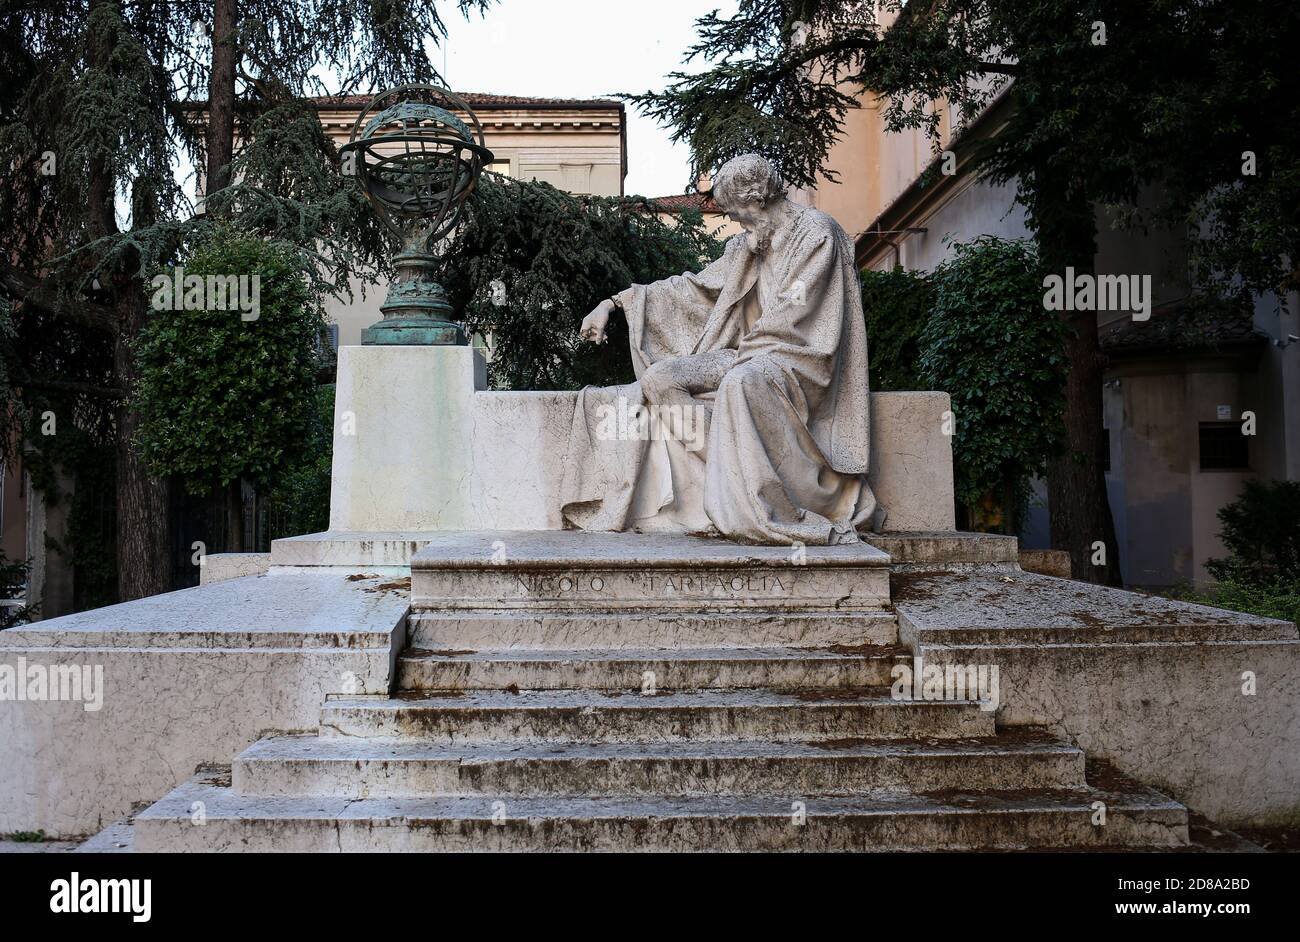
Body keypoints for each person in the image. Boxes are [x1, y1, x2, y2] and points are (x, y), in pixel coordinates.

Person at [561, 153, 880, 545]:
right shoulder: (748, 246)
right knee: (660, 378)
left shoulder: (816, 233)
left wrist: (747, 356)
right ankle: (730, 479)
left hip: (800, 360)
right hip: (750, 355)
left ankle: (764, 499)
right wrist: (612, 303)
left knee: (740, 382)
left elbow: (798, 312)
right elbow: (692, 288)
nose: (735, 222)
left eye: (737, 212)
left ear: (758, 196)